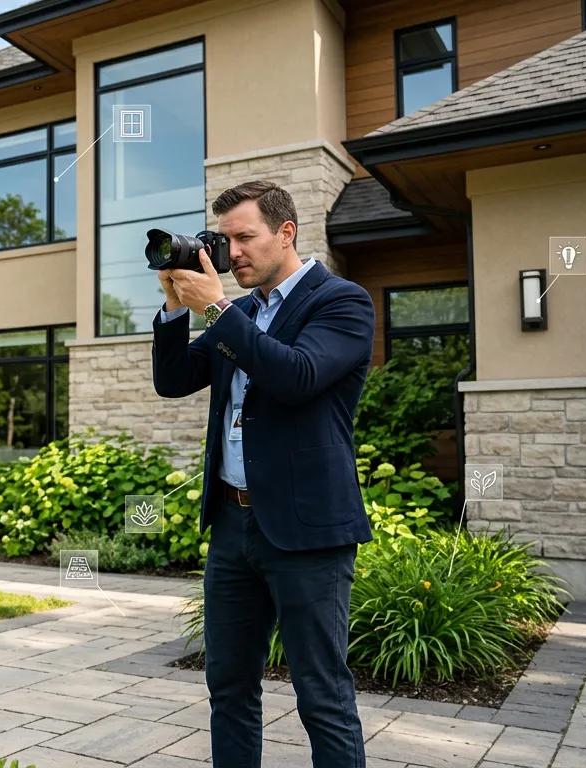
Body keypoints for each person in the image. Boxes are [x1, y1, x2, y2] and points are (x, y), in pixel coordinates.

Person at [152, 180, 376, 768]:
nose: (232, 253)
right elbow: (174, 380)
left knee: (321, 695)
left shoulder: (342, 301)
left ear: (286, 233)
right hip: (231, 525)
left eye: (244, 237)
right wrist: (177, 309)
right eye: (224, 241)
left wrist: (216, 309)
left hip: (306, 531)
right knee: (227, 687)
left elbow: (297, 376)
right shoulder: (243, 313)